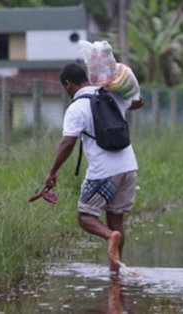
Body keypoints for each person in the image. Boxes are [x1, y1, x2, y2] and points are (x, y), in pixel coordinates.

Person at [44, 63, 143, 273]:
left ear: (68, 84)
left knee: (85, 216)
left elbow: (67, 143)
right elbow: (138, 102)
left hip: (104, 172)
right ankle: (116, 271)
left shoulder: (76, 107)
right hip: (129, 167)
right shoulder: (112, 96)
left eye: (65, 88)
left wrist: (52, 172)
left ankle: (110, 237)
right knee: (116, 218)